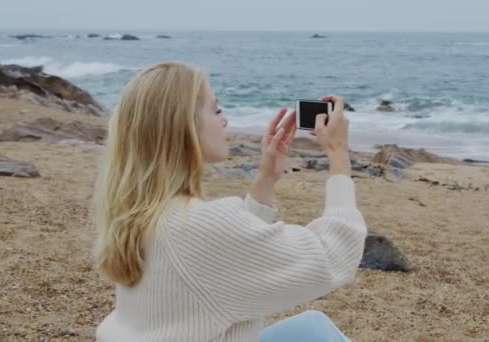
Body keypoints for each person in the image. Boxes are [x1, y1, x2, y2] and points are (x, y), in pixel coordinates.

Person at [92, 61, 367, 342]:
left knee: (312, 327)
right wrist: (338, 154)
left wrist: (267, 177)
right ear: (184, 126)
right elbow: (335, 254)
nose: (224, 120)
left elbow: (225, 254)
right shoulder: (199, 225)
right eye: (216, 109)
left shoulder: (137, 210)